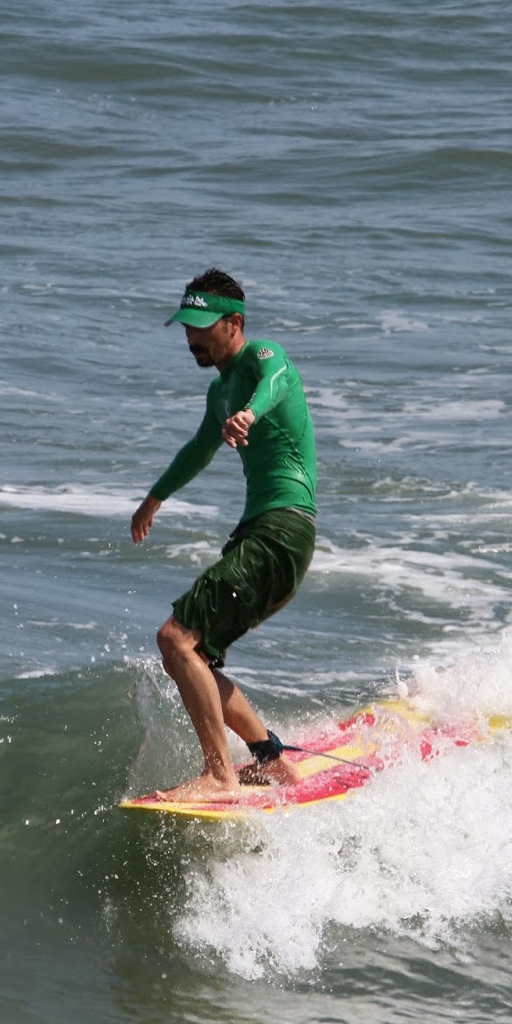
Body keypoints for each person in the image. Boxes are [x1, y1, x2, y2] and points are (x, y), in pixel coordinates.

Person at [130, 268, 318, 801]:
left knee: (175, 639)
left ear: (233, 324)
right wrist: (154, 497)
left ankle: (220, 774)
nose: (192, 338)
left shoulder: (263, 357)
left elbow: (275, 385)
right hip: (260, 532)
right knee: (196, 658)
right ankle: (270, 760)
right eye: (186, 326)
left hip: (283, 529)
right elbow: (197, 450)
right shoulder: (219, 394)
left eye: (202, 326)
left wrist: (249, 416)